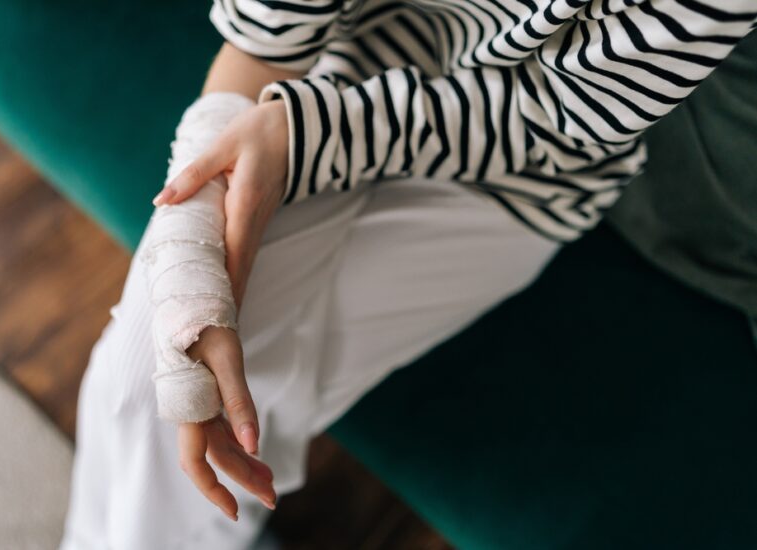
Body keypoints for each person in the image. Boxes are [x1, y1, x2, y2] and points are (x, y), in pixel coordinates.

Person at [59, 2, 757, 549]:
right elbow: (260, 44)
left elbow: (557, 119)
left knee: (219, 397)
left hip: (514, 179)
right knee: (144, 379)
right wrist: (199, 243)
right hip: (328, 72)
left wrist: (302, 139)